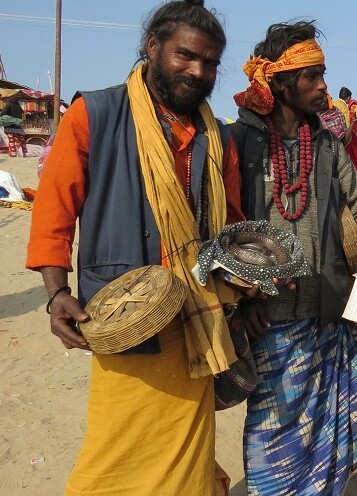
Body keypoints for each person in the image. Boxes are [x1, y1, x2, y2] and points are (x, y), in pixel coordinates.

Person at [26, 1, 243, 493]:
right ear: (153, 48)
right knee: (118, 450)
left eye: (210, 62)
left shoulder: (218, 138)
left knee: (188, 449)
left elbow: (230, 221)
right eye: (185, 56)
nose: (198, 71)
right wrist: (56, 291)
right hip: (126, 314)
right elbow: (55, 209)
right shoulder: (95, 113)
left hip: (197, 314)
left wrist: (246, 274)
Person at [229, 21, 357, 495]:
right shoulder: (238, 142)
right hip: (267, 314)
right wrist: (243, 300)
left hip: (327, 306)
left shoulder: (328, 143)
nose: (322, 87)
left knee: (326, 418)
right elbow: (222, 232)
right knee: (273, 422)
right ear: (278, 82)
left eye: (323, 75)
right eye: (311, 77)